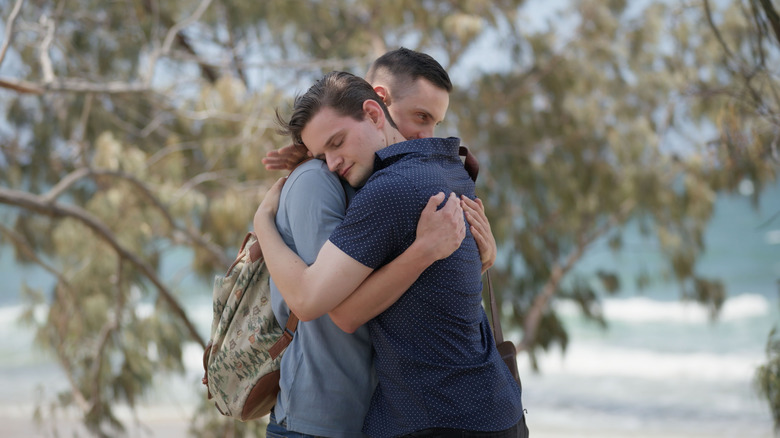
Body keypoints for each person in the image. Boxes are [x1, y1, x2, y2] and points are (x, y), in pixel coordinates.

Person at [255, 71, 526, 438]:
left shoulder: (388, 189)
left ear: (374, 112)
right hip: (496, 406)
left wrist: (262, 222)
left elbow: (317, 304)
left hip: (435, 418)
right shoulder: (451, 168)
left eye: (337, 143)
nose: (423, 133)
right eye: (419, 116)